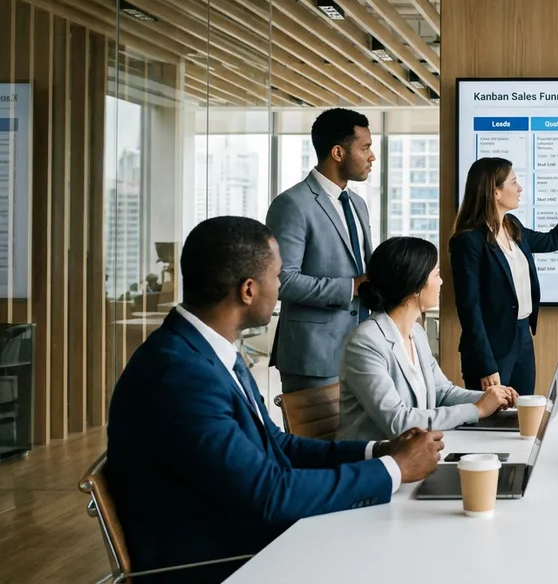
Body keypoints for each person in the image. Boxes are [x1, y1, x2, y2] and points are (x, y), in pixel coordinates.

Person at [105, 217, 444, 584]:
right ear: (248, 291)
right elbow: (269, 494)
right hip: (225, 561)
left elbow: (277, 445)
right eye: (278, 276)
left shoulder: (205, 351)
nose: (282, 286)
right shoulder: (179, 375)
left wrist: (379, 451)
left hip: (251, 537)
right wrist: (395, 469)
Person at [339, 236, 520, 439]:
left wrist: (492, 398)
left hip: (416, 447)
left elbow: (442, 393)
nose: (442, 281)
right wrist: (477, 410)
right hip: (380, 454)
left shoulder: (416, 333)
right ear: (416, 286)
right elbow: (399, 422)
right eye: (437, 274)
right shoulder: (365, 342)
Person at [450, 157, 558, 395]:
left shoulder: (512, 226)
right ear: (495, 192)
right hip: (490, 346)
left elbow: (552, 241)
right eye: (514, 182)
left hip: (522, 337)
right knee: (493, 415)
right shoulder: (468, 241)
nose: (520, 188)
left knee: (524, 410)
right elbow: (469, 307)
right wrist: (486, 365)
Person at [266, 108, 375, 393]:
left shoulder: (358, 204)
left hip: (362, 351)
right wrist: (351, 287)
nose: (372, 157)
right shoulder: (292, 204)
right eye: (365, 148)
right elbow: (281, 281)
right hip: (313, 356)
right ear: (338, 152)